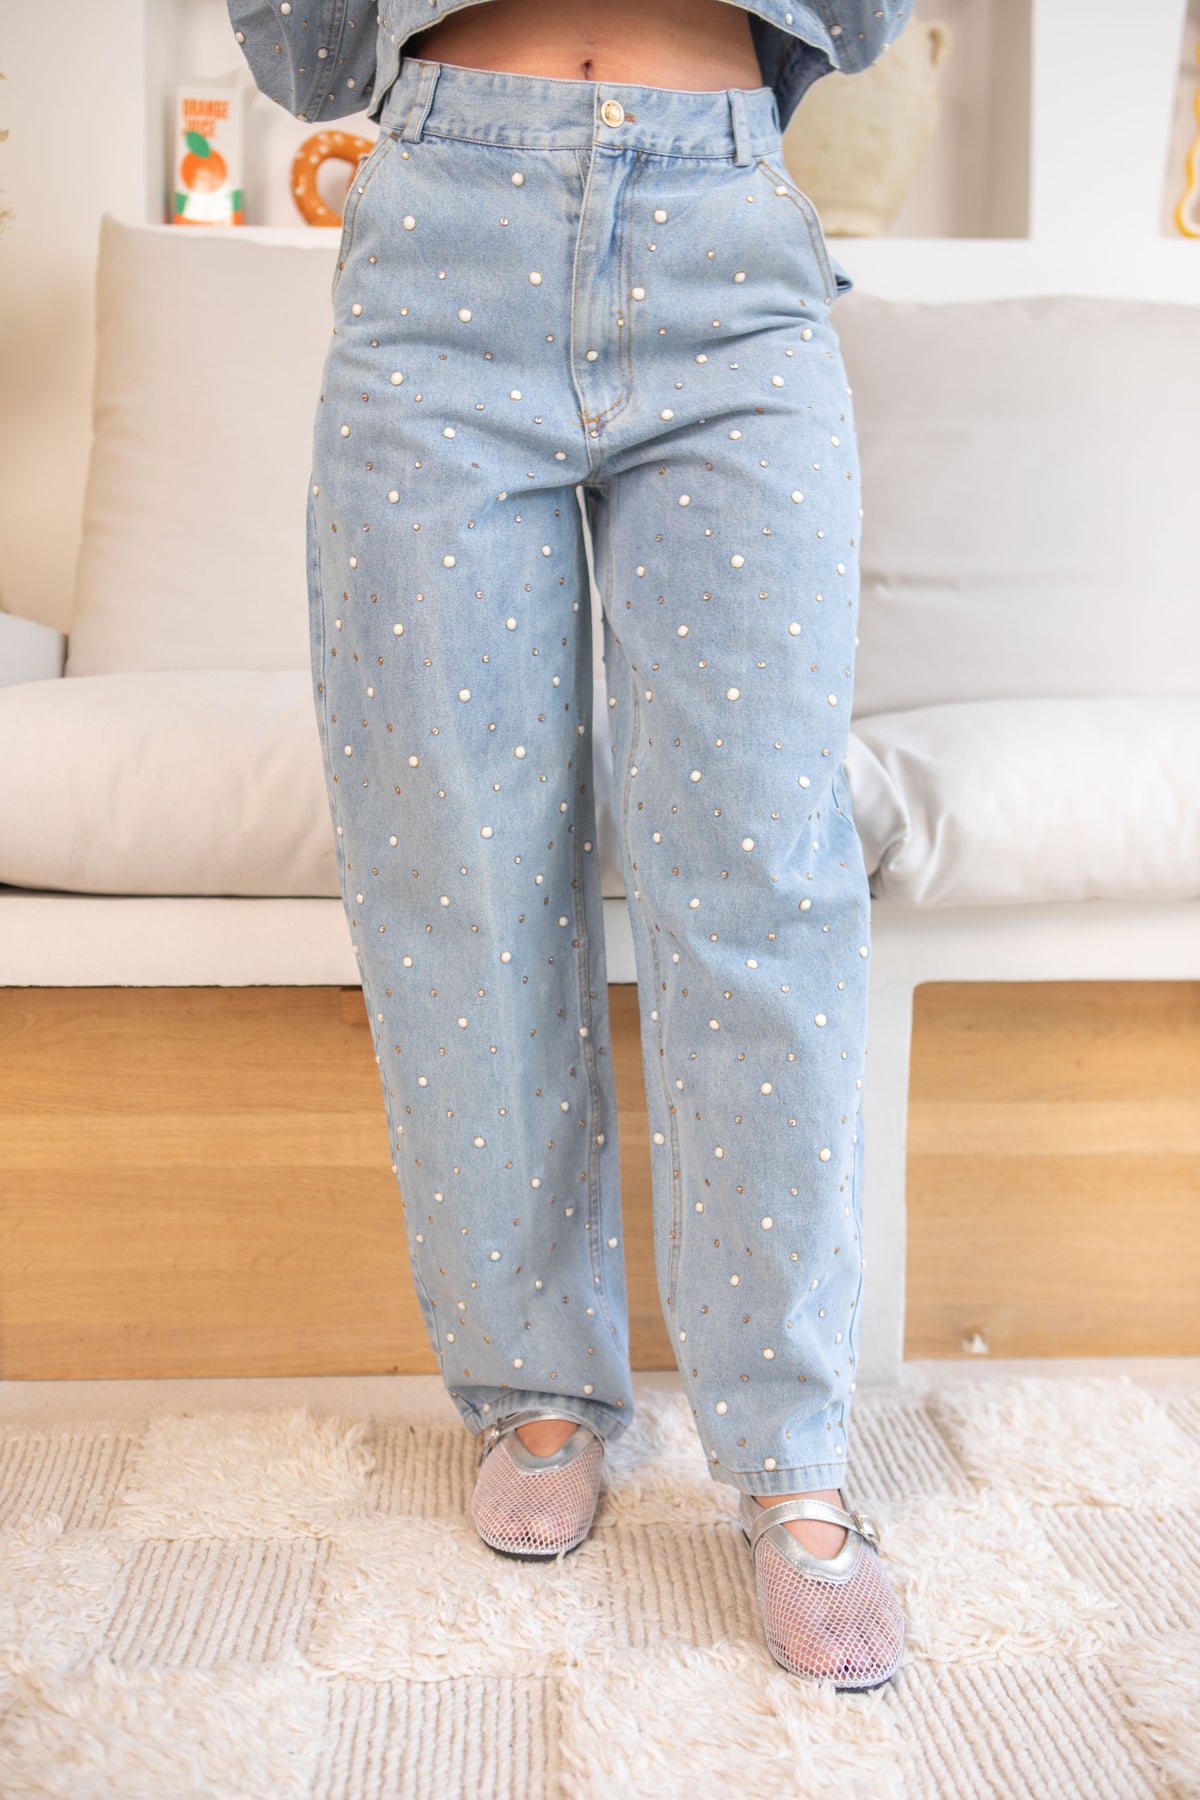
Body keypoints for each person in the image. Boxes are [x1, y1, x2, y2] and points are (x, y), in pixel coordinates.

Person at [229, 0, 912, 1690]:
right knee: (457, 864)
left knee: (762, 872)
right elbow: (306, 55)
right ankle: (536, 1390)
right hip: (440, 243)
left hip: (726, 239)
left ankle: (791, 1453)